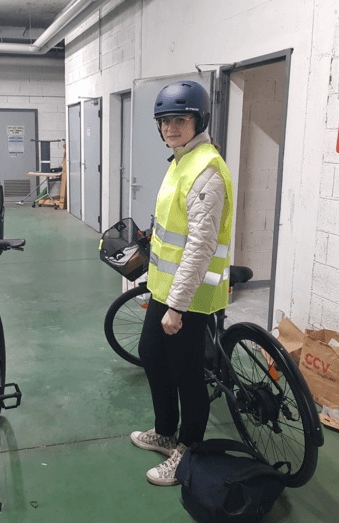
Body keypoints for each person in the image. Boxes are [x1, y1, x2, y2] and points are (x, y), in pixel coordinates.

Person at [130, 81, 234, 486]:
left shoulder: (206, 168)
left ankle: (188, 450)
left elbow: (199, 247)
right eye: (165, 121)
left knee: (187, 373)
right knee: (151, 355)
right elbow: (171, 229)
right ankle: (165, 432)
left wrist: (177, 306)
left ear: (198, 120)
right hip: (165, 288)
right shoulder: (180, 160)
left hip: (192, 296)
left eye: (180, 119)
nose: (171, 128)